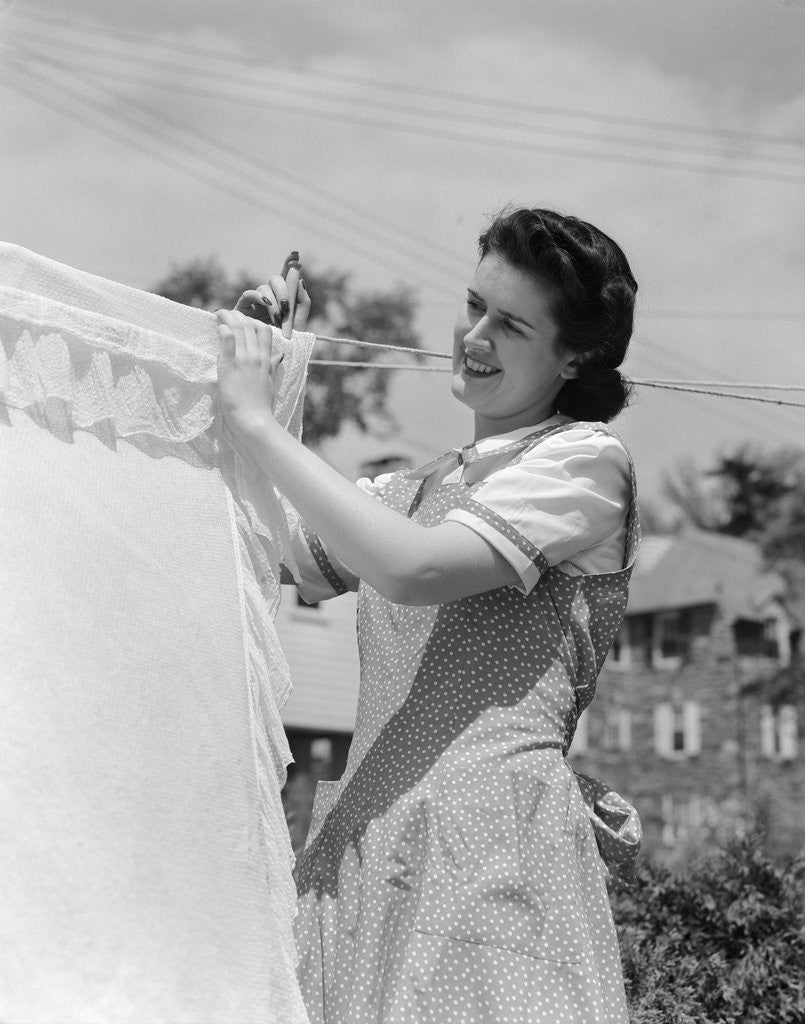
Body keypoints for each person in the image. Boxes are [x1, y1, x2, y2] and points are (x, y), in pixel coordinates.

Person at [216, 207, 642, 1024]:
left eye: (510, 324)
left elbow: (410, 569)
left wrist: (258, 421)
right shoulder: (409, 490)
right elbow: (256, 543)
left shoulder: (583, 464)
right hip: (369, 850)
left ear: (576, 354)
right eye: (473, 304)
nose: (474, 336)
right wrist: (250, 373)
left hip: (488, 858)